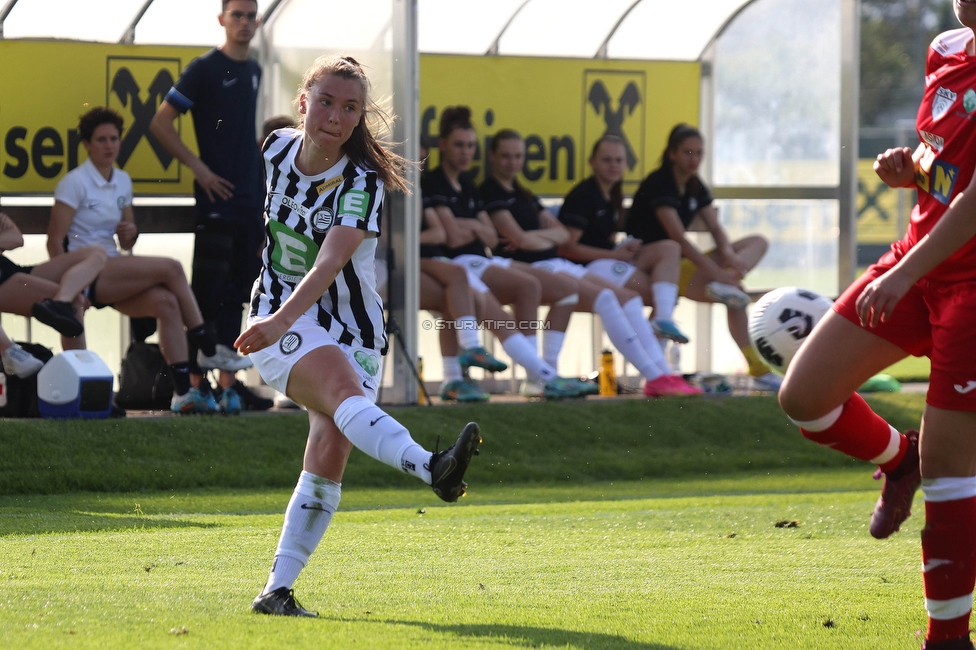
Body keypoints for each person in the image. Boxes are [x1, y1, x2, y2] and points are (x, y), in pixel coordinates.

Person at [236, 55, 482, 617]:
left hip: (356, 330)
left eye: (350, 108)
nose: (335, 116)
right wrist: (272, 319)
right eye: (325, 101)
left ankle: (275, 591)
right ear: (302, 103)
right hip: (279, 314)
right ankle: (431, 466)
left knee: (328, 451)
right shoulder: (275, 147)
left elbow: (329, 263)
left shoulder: (363, 182)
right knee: (344, 399)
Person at [780, 8, 976, 649]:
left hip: (969, 289)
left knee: (952, 470)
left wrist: (904, 273)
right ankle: (900, 459)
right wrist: (913, 169)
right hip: (917, 265)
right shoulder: (945, 48)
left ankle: (946, 639)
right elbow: (948, 164)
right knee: (803, 397)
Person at [47, 107, 252, 415]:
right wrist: (69, 290)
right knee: (172, 267)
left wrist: (130, 232)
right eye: (101, 139)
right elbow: (54, 241)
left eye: (114, 138)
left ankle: (183, 393)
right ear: (87, 145)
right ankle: (208, 348)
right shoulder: (73, 182)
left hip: (111, 271)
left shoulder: (123, 181)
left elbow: (127, 241)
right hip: (85, 272)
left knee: (167, 303)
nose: (109, 145)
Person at [481, 129, 700, 397]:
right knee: (606, 299)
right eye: (506, 156)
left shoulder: (523, 192)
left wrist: (532, 237)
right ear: (492, 156)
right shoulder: (491, 191)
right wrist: (536, 238)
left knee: (629, 298)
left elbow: (554, 234)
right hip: (530, 268)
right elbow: (545, 240)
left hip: (555, 263)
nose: (513, 162)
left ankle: (663, 372)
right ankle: (652, 376)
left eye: (518, 156)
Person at [425, 106, 594, 399]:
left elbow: (490, 236)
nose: (465, 152)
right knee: (495, 305)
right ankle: (542, 376)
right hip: (455, 263)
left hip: (478, 260)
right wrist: (475, 226)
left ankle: (536, 377)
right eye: (458, 145)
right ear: (442, 145)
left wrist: (471, 226)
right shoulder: (434, 181)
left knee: (548, 288)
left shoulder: (467, 183)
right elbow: (452, 238)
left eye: (470, 146)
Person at [150, 0, 270, 412]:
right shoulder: (203, 68)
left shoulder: (255, 69)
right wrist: (200, 169)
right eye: (237, 14)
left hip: (251, 200)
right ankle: (197, 388)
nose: (245, 22)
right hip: (217, 199)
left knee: (241, 291)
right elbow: (160, 123)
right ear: (221, 19)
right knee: (207, 294)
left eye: (251, 15)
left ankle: (229, 387)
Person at [624, 124, 779, 391]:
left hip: (681, 267)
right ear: (672, 154)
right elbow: (679, 239)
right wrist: (718, 273)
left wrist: (729, 257)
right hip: (652, 269)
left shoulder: (694, 184)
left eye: (699, 153)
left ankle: (759, 369)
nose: (694, 159)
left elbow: (715, 227)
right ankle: (657, 374)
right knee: (728, 297)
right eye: (687, 152)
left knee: (757, 244)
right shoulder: (659, 183)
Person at [557, 135, 688, 348]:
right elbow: (567, 248)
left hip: (608, 261)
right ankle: (654, 360)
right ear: (593, 162)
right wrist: (615, 255)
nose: (613, 166)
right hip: (587, 270)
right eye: (607, 160)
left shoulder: (612, 195)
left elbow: (603, 241)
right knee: (664, 297)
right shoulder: (583, 195)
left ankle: (661, 327)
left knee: (670, 248)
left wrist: (622, 248)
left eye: (619, 161)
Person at [0, 212, 106, 341]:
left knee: (97, 253)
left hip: (13, 269)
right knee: (76, 301)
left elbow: (16, 239)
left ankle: (61, 301)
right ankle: (76, 358)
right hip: (5, 282)